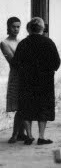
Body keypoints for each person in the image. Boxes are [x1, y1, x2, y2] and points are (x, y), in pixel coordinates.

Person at [13, 17, 60, 145]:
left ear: (29, 28)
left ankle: (29, 136)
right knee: (43, 108)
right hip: (44, 82)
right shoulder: (48, 42)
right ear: (42, 28)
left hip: (26, 81)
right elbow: (56, 62)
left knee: (26, 107)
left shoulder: (23, 43)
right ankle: (41, 136)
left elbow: (16, 63)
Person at [1, 16, 29, 144]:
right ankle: (15, 134)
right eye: (13, 26)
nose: (16, 29)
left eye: (18, 26)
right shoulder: (4, 43)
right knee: (20, 106)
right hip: (16, 76)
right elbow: (13, 61)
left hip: (25, 75)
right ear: (8, 27)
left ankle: (21, 133)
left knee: (24, 105)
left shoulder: (21, 42)